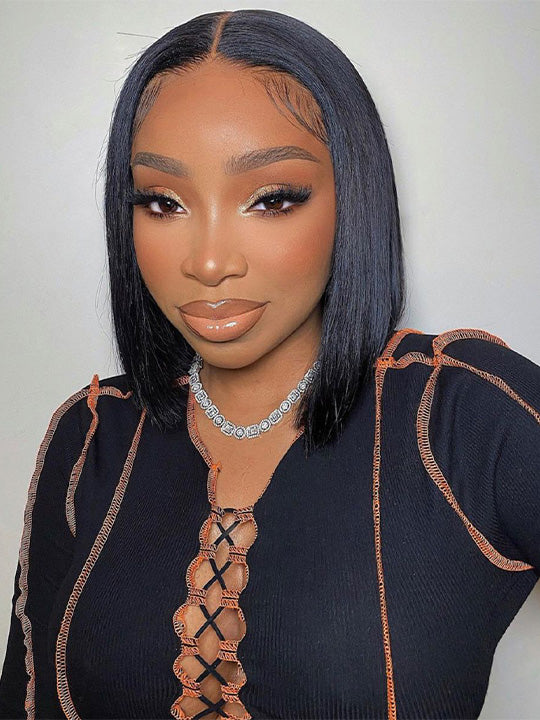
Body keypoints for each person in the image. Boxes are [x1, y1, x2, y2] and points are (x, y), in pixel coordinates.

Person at [0, 8, 538, 720]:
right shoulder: (92, 438)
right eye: (162, 202)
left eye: (271, 199)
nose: (208, 262)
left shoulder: (464, 417)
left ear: (354, 196)